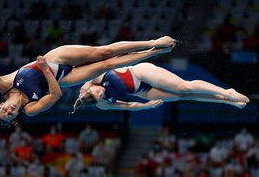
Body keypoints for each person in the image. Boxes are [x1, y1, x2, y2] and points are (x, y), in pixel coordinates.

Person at [0, 36, 176, 128]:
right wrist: (44, 70)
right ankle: (157, 52)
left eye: (4, 111)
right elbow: (55, 95)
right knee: (107, 65)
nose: (10, 111)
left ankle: (152, 43)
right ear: (15, 114)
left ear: (1, 104)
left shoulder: (2, 85)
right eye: (11, 115)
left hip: (57, 58)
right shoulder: (30, 109)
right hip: (62, 79)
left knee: (103, 52)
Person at [74, 62, 250, 112]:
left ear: (91, 89)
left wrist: (85, 87)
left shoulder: (91, 80)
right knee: (185, 97)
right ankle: (228, 102)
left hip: (140, 73)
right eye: (100, 95)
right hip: (142, 91)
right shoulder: (102, 104)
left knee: (184, 87)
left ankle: (227, 92)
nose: (101, 91)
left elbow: (101, 62)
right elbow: (128, 106)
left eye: (98, 91)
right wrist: (146, 106)